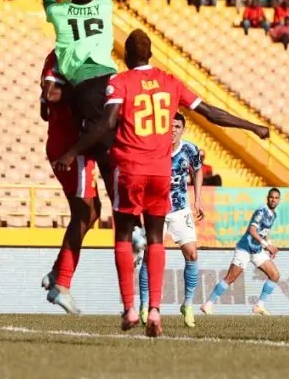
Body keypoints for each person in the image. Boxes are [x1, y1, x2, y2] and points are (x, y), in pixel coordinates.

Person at [55, 30, 269, 337]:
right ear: (151, 54)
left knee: (125, 235)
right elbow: (210, 113)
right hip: (160, 173)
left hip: (130, 169)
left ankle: (130, 307)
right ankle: (155, 309)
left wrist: (73, 150)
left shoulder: (120, 82)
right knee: (156, 238)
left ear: (126, 57)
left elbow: (107, 122)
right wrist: (252, 126)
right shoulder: (170, 82)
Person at [38, 0, 117, 181]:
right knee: (111, 138)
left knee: (99, 141)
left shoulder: (59, 13)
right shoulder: (103, 6)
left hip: (85, 83)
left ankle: (73, 155)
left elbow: (48, 0)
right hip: (112, 78)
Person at [38, 50, 99, 315]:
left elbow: (44, 107)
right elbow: (51, 93)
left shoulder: (66, 54)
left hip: (68, 143)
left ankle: (56, 273)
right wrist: (84, 95)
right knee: (85, 212)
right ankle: (61, 284)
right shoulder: (65, 55)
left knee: (93, 210)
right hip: (72, 147)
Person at [138, 113, 203, 328]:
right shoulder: (154, 149)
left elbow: (198, 170)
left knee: (192, 253)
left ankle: (188, 304)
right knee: (150, 254)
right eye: (170, 126)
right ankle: (145, 304)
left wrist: (198, 199)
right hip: (155, 209)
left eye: (177, 126)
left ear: (183, 129)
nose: (173, 129)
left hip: (180, 209)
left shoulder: (190, 150)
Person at [202, 189, 282, 317]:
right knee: (230, 278)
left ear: (279, 200)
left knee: (275, 275)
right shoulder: (261, 211)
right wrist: (267, 245)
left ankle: (259, 306)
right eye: (271, 197)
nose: (273, 200)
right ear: (267, 198)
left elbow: (265, 232)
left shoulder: (274, 214)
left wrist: (269, 244)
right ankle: (208, 304)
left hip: (257, 250)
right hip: (245, 249)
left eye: (276, 198)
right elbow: (252, 230)